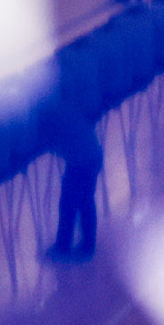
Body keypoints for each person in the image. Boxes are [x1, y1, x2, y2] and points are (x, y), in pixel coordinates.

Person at [41, 97, 103, 261]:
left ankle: (65, 247)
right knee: (84, 202)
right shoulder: (62, 106)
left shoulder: (49, 116)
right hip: (91, 155)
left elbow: (49, 139)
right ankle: (85, 245)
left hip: (80, 162)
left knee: (69, 203)